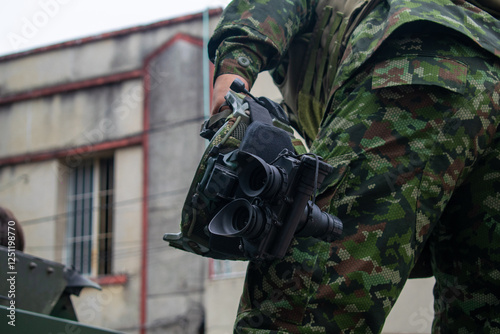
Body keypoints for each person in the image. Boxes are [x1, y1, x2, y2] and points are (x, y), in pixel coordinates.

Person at [207, 0, 500, 332]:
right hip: (490, 70)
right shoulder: (307, 104)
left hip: (419, 59)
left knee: (300, 298)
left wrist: (232, 72)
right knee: (481, 311)